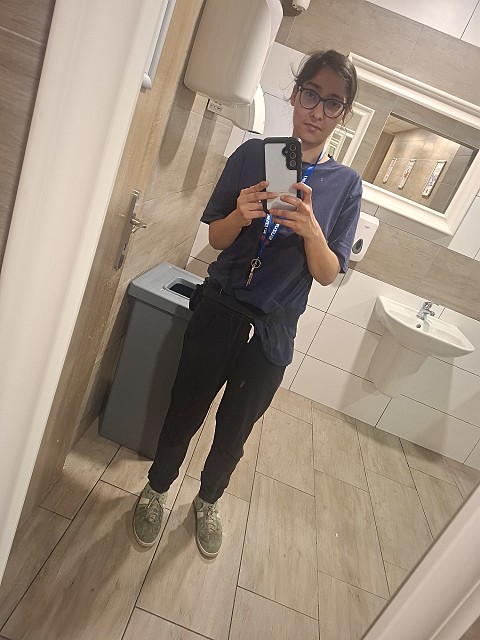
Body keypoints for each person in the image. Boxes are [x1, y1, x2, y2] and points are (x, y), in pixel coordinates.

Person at [133, 50, 362, 557]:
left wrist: (312, 230)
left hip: (273, 332)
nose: (317, 111)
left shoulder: (346, 185)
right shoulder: (252, 155)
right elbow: (216, 239)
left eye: (332, 103)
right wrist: (239, 215)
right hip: (220, 309)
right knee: (184, 410)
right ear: (295, 94)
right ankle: (156, 487)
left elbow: (328, 274)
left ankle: (208, 501)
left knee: (234, 433)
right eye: (310, 94)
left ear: (343, 114)